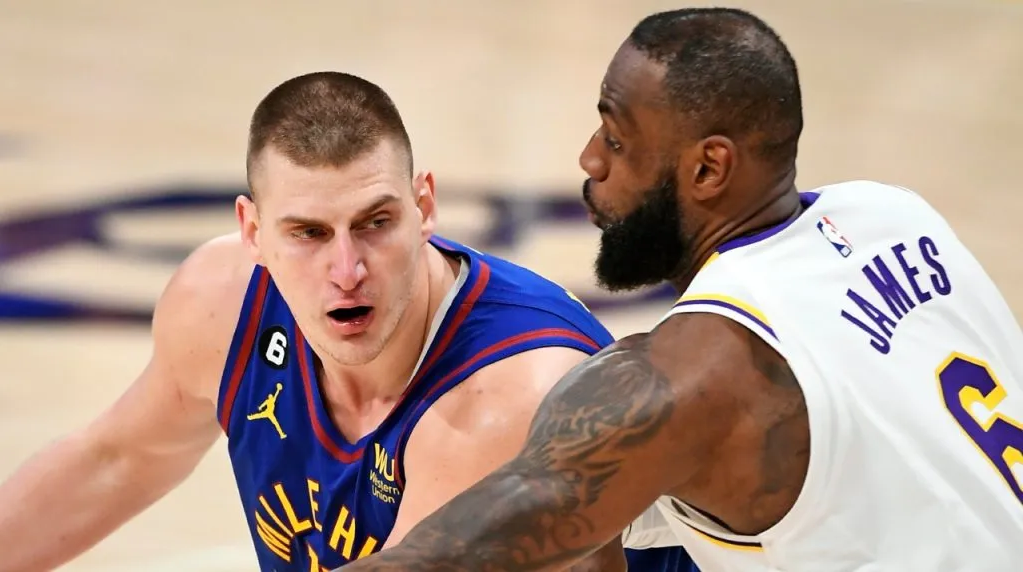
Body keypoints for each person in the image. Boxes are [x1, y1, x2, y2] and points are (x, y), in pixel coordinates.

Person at [337, 7, 1023, 572]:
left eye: (616, 137)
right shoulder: (894, 215)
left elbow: (441, 559)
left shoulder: (691, 376)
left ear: (709, 169)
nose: (590, 159)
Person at [0, 71, 693, 571]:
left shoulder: (509, 397)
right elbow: (116, 461)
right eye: (306, 232)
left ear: (424, 206)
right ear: (253, 231)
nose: (346, 269)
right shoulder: (221, 302)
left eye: (376, 223)